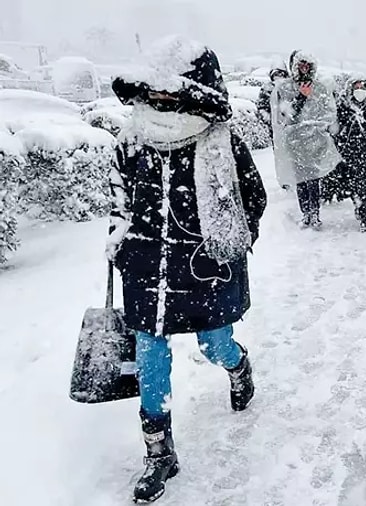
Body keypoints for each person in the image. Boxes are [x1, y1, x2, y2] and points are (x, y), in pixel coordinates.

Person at [108, 36, 267, 504]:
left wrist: (228, 246)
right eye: (152, 94)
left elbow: (251, 200)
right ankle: (159, 453)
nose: (159, 102)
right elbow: (118, 199)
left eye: (168, 94)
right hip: (146, 269)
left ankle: (238, 366)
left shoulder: (221, 142)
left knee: (213, 345)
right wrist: (120, 242)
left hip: (203, 270)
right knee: (151, 357)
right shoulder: (132, 140)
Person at [271, 50, 341, 230]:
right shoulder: (285, 88)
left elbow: (329, 113)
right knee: (300, 179)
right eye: (300, 65)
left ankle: (315, 214)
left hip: (316, 142)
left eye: (307, 66)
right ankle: (305, 214)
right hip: (295, 142)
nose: (304, 69)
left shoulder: (320, 88)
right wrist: (301, 97)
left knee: (314, 179)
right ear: (295, 67)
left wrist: (318, 128)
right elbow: (285, 117)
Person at [335, 76, 366, 232]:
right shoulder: (343, 108)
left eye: (362, 88)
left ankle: (365, 218)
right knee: (353, 188)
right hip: (349, 156)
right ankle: (357, 204)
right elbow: (337, 130)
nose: (359, 91)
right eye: (356, 88)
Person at [256, 65, 289, 135]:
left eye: (280, 74)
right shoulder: (267, 88)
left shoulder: (290, 88)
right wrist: (270, 119)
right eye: (275, 75)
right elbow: (261, 107)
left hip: (289, 125)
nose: (278, 77)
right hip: (275, 125)